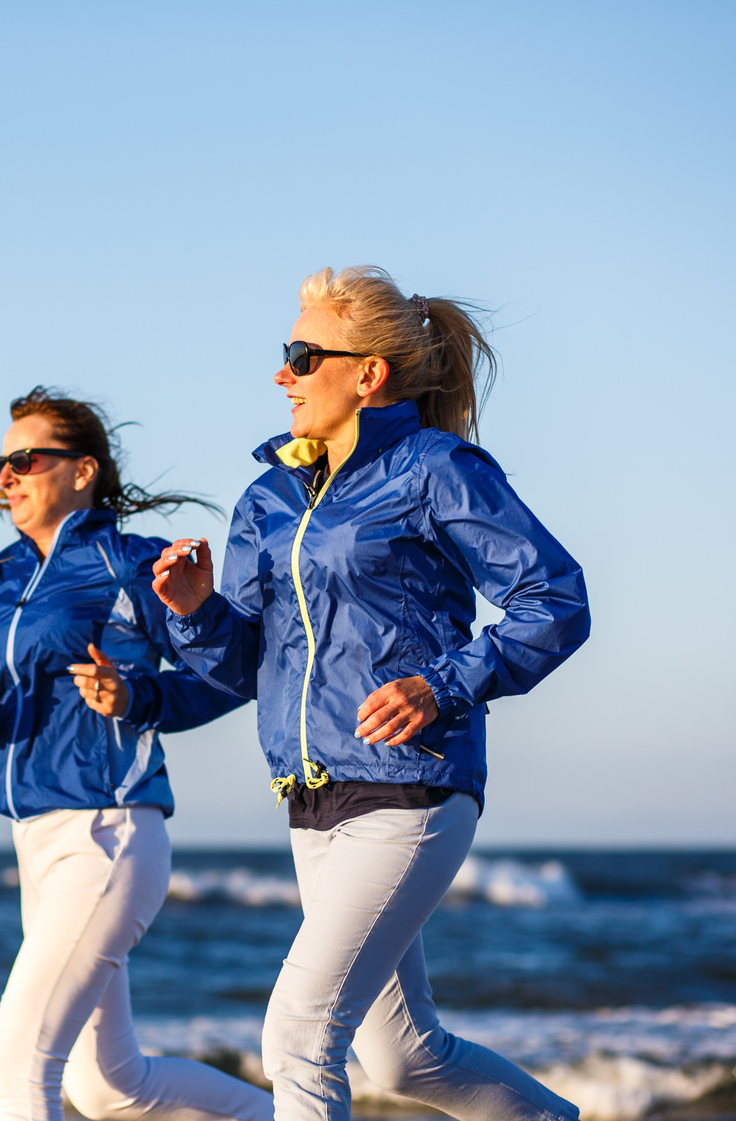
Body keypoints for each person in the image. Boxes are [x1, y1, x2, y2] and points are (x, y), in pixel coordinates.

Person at [152, 267, 591, 1121]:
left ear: (368, 374)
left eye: (302, 354)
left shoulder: (436, 469)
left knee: (298, 1036)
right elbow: (247, 665)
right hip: (312, 801)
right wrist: (196, 612)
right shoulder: (269, 498)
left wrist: (445, 683)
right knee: (405, 1060)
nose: (283, 373)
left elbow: (556, 600)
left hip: (411, 787)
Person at [0, 387, 273, 1121]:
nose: (8, 475)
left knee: (17, 1062)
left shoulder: (132, 564)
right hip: (33, 843)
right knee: (110, 1087)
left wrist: (138, 696)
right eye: (1, 463)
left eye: (26, 458)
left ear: (83, 471)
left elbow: (235, 675)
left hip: (108, 835)